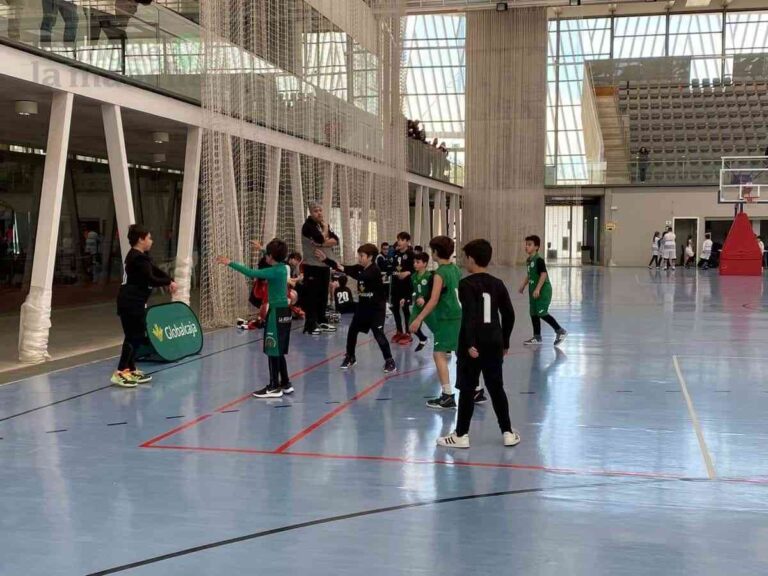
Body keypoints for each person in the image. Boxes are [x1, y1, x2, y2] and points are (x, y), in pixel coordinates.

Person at [437, 239, 519, 449]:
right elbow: (508, 314)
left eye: (465, 257)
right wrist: (505, 340)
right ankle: (508, 432)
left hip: (471, 344)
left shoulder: (466, 284)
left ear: (472, 259)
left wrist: (471, 343)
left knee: (467, 388)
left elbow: (471, 316)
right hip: (494, 342)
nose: (464, 261)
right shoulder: (497, 283)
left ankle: (461, 435)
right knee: (496, 388)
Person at [217, 239, 294, 398]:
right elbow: (275, 257)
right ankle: (285, 383)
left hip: (275, 314)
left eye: (268, 254)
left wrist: (230, 263)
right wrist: (262, 249)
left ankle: (274, 386)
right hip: (285, 313)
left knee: (272, 349)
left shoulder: (273, 271)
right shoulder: (283, 268)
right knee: (279, 350)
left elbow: (251, 273)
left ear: (271, 256)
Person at [113, 224, 177, 387]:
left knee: (137, 335)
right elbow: (151, 278)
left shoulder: (141, 256)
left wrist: (170, 280)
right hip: (130, 302)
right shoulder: (137, 258)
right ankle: (120, 371)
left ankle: (130, 368)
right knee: (133, 336)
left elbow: (155, 270)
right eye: (149, 237)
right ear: (141, 239)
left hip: (136, 302)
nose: (151, 240)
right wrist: (167, 282)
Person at [316, 244, 396, 374]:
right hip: (363, 308)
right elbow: (342, 267)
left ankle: (389, 360)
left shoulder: (374, 270)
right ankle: (350, 356)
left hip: (376, 310)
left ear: (370, 257)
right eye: (359, 255)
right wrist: (326, 260)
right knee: (352, 331)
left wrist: (349, 271)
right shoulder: (361, 269)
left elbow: (360, 275)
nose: (359, 258)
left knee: (379, 335)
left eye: (362, 256)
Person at [409, 235, 462, 410]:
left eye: (432, 250)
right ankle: (475, 390)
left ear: (436, 252)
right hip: (459, 315)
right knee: (461, 353)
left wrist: (418, 318)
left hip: (446, 317)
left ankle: (447, 395)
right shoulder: (455, 269)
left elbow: (433, 300)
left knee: (439, 354)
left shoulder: (440, 273)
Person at [519, 235, 567, 346]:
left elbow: (543, 274)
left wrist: (538, 289)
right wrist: (523, 285)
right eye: (526, 244)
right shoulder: (529, 260)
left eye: (529, 244)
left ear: (536, 247)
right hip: (533, 291)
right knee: (533, 313)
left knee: (542, 313)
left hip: (543, 291)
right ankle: (537, 337)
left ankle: (560, 331)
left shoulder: (539, 260)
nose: (526, 246)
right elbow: (530, 274)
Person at [301, 203, 339, 335]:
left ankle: (322, 321)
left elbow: (336, 240)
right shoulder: (308, 226)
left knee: (323, 295)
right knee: (312, 296)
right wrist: (324, 236)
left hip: (324, 265)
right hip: (312, 266)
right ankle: (310, 325)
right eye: (316, 211)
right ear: (311, 213)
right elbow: (321, 238)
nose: (319, 213)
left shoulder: (322, 225)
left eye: (321, 210)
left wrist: (322, 241)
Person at [390, 232, 415, 345]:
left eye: (401, 240)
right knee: (395, 308)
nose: (399, 242)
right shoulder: (395, 254)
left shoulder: (411, 254)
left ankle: (408, 333)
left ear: (407, 242)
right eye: (398, 239)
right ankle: (399, 331)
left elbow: (416, 268)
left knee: (405, 309)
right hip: (396, 285)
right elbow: (391, 267)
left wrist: (407, 272)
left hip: (406, 286)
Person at [409, 252, 432, 352]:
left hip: (429, 305)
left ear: (425, 264)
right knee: (411, 326)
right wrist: (405, 299)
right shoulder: (413, 277)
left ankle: (447, 347)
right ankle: (423, 338)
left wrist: (425, 298)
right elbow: (412, 290)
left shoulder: (430, 276)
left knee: (436, 328)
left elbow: (433, 292)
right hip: (418, 306)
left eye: (418, 262)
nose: (415, 264)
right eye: (414, 262)